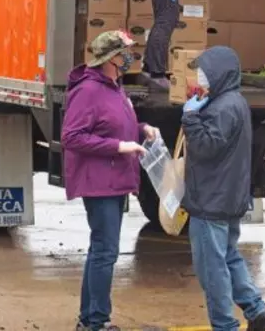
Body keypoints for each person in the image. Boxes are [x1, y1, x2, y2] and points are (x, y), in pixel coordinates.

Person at [62, 31, 160, 331]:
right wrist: (119, 147)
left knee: (101, 249)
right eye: (126, 52)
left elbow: (115, 123)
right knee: (106, 251)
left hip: (115, 179)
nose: (131, 56)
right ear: (111, 58)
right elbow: (72, 136)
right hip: (99, 182)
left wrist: (141, 128)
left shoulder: (115, 87)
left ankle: (89, 319)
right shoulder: (89, 90)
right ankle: (96, 321)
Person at [181, 46, 265, 331]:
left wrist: (190, 117)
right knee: (229, 254)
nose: (200, 76)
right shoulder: (234, 102)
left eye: (205, 71)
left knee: (212, 268)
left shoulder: (223, 108)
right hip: (228, 196)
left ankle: (224, 325)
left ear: (219, 74)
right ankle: (254, 307)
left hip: (212, 199)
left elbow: (207, 146)